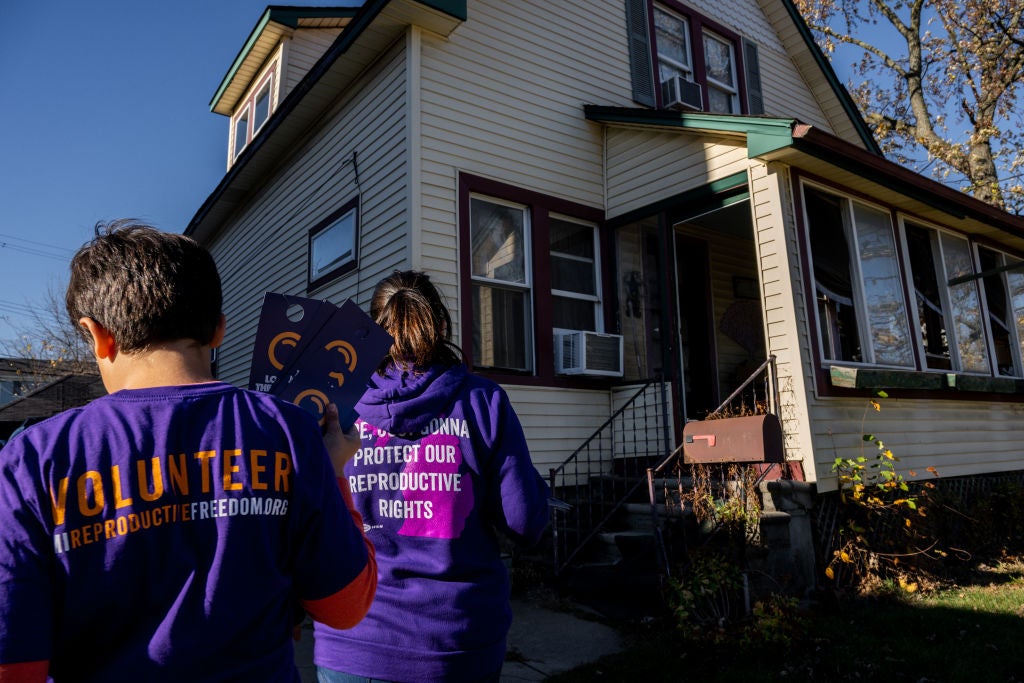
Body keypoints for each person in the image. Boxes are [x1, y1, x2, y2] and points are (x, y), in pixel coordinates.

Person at [0, 220, 377, 682]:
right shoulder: (288, 430)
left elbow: (14, 664)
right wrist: (336, 472)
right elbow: (345, 606)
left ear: (97, 334)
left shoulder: (31, 460)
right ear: (218, 329)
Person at [314, 270, 550, 683]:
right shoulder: (483, 402)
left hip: (352, 641)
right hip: (453, 643)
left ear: (373, 332)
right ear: (440, 326)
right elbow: (525, 522)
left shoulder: (335, 407)